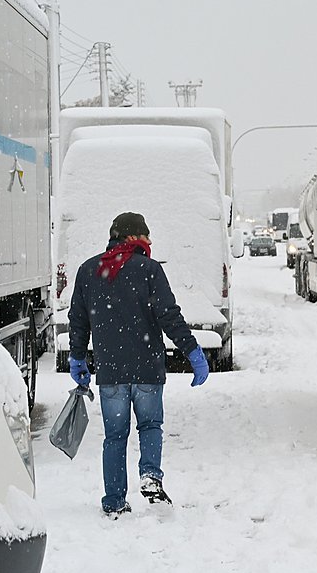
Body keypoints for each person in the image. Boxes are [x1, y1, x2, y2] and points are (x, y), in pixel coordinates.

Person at [67, 212, 210, 519]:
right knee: (150, 426)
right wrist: (192, 350)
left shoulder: (89, 270)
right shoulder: (149, 270)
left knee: (115, 436)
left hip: (111, 373)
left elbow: (78, 320)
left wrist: (78, 357)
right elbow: (169, 315)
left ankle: (114, 501)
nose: (150, 241)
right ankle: (150, 476)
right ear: (133, 237)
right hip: (147, 369)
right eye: (146, 235)